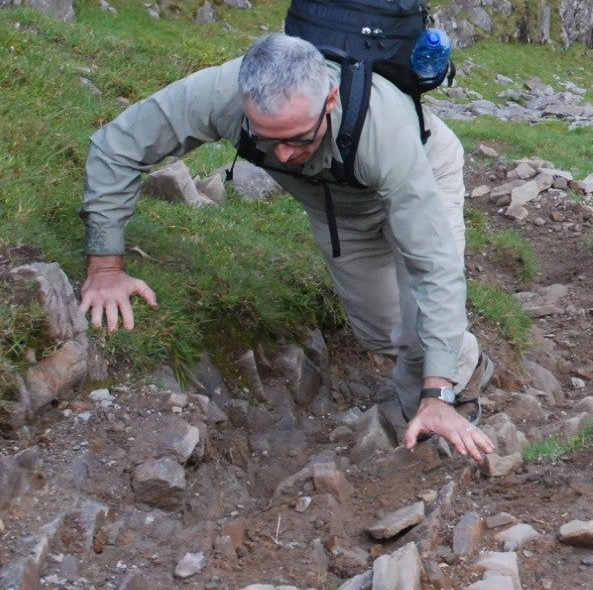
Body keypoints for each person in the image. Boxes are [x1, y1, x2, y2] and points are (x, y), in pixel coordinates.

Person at [78, 32, 495, 462]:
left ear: (330, 100)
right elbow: (117, 146)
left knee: (418, 335)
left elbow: (435, 265)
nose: (282, 155)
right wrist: (106, 267)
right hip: (341, 211)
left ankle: (434, 429)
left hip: (422, 172)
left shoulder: (384, 132)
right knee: (380, 332)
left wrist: (437, 392)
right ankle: (461, 357)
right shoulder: (220, 94)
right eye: (264, 140)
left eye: (297, 139)